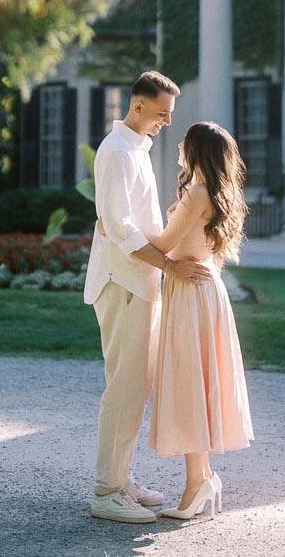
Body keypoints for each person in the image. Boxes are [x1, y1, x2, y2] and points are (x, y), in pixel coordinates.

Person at [84, 70, 213, 525]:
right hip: (123, 283)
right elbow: (119, 228)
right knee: (126, 388)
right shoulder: (117, 152)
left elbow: (125, 223)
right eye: (161, 114)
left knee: (137, 387)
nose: (165, 123)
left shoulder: (138, 149)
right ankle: (107, 491)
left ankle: (120, 477)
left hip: (140, 282)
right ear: (137, 106)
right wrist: (172, 266)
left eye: (169, 116)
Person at [145, 120, 254, 521]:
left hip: (191, 293)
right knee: (198, 384)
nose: (178, 147)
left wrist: (117, 228)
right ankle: (202, 475)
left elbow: (161, 244)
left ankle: (197, 483)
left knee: (191, 385)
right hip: (204, 292)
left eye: (184, 143)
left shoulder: (196, 193)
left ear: (195, 151)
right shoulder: (215, 193)